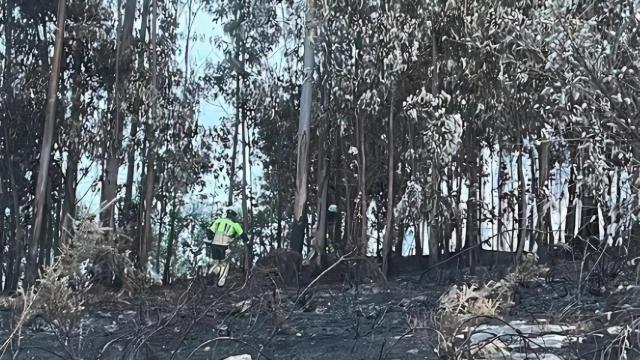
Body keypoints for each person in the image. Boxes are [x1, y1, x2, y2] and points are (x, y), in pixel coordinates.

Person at [204, 206, 248, 287]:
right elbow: (243, 235)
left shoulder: (219, 220)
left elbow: (209, 231)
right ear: (234, 216)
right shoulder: (235, 224)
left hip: (214, 244)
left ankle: (211, 274)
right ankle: (221, 282)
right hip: (224, 246)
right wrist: (247, 242)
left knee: (216, 262)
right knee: (224, 264)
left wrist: (210, 240)